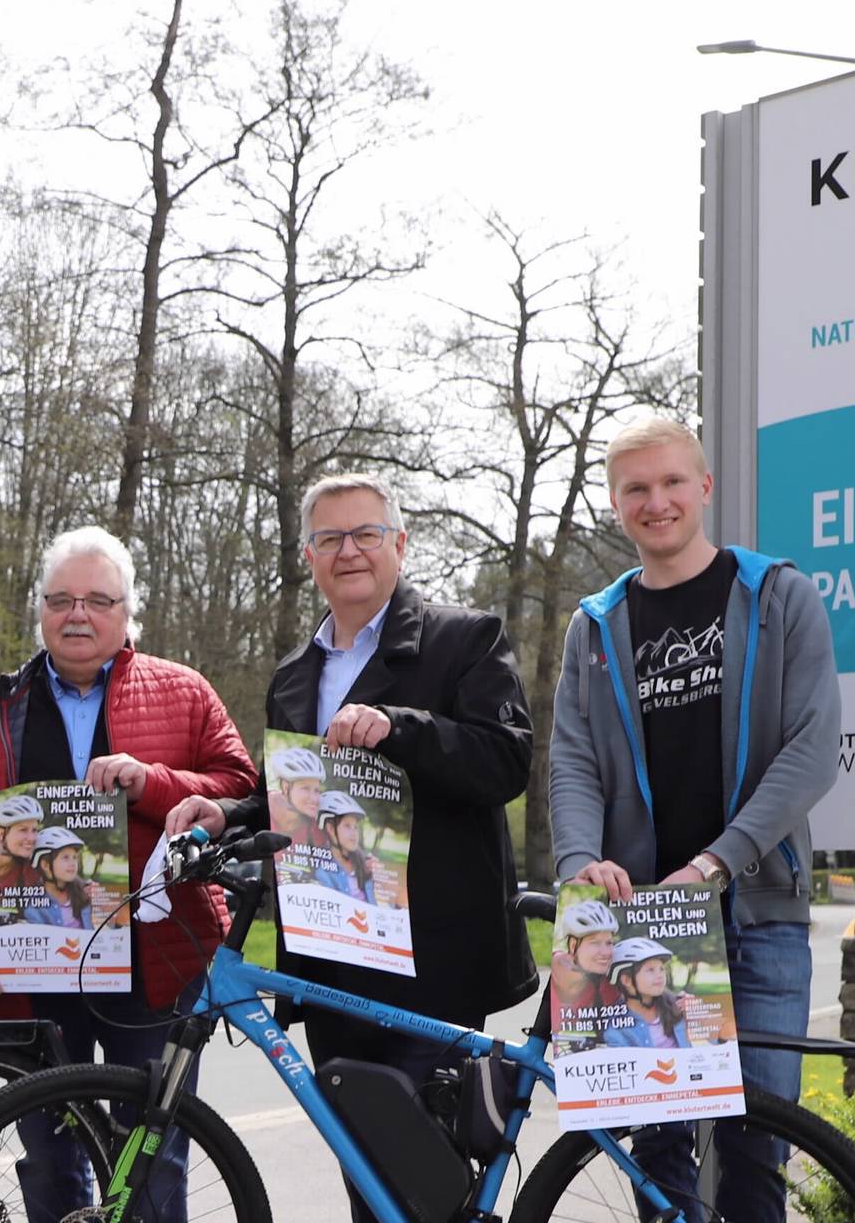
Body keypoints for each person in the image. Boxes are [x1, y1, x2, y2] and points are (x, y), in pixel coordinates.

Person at [167, 473, 535, 1223]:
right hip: (333, 953)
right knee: (367, 1180)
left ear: (399, 544)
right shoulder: (294, 677)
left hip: (432, 960)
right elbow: (292, 796)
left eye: (366, 534)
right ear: (308, 556)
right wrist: (226, 813)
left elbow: (507, 762)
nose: (350, 551)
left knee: (430, 1182)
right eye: (330, 538)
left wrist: (402, 728)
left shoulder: (465, 639)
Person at [548, 416, 841, 1222]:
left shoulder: (779, 596)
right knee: (656, 1149)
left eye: (673, 481)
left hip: (756, 913)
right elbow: (571, 760)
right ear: (615, 504)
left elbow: (812, 750)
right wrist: (578, 862)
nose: (658, 501)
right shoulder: (594, 625)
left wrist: (717, 861)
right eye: (636, 488)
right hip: (639, 917)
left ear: (705, 487)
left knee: (756, 1146)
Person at [0, 526, 258, 1223]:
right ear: (42, 611)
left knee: (154, 1154)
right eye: (62, 599)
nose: (77, 614)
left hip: (159, 966)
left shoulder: (184, 692)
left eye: (98, 600)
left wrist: (154, 783)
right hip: (33, 971)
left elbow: (241, 790)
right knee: (49, 1156)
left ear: (126, 612)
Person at [548, 897, 624, 1044]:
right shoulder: (559, 965)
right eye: (594, 943)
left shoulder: (608, 982)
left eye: (609, 942)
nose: (605, 952)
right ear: (572, 945)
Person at [598, 938, 693, 1050]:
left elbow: (718, 1040)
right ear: (626, 980)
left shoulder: (676, 1006)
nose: (660, 975)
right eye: (650, 970)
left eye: (661, 969)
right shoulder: (615, 1027)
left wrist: (697, 1015)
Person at [21, 827, 106, 929]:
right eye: (65, 857)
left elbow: (117, 925)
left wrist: (102, 902)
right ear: (46, 865)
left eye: (75, 857)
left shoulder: (83, 891)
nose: (73, 863)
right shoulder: (34, 904)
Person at [309, 793, 377, 904]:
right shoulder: (322, 870)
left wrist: (372, 876)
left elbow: (374, 903)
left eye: (355, 827)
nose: (354, 833)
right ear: (330, 828)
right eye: (347, 826)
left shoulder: (362, 861)